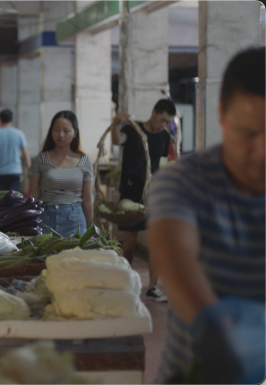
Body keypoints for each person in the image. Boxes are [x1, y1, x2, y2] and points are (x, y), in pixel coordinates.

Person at [147, 47, 264, 384]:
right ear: (223, 116)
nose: (262, 152)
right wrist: (211, 324)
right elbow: (175, 255)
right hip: (194, 370)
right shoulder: (184, 180)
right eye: (249, 134)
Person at [111, 99, 176, 301]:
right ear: (154, 112)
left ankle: (153, 287)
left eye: (167, 122)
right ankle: (126, 281)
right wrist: (115, 123)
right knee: (129, 241)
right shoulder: (134, 130)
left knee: (157, 243)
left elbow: (165, 163)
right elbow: (116, 141)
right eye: (162, 120)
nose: (163, 125)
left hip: (153, 194)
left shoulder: (165, 137)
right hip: (131, 192)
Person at [28, 111, 93, 238]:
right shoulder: (40, 160)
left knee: (75, 257)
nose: (61, 135)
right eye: (57, 130)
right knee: (46, 257)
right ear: (51, 131)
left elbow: (88, 199)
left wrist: (91, 229)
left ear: (75, 133)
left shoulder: (85, 161)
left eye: (66, 130)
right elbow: (33, 196)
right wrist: (29, 224)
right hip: (46, 220)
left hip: (76, 222)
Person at [0, 109, 31, 192]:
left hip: (0, 173)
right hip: (15, 172)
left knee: (2, 199)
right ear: (12, 120)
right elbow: (25, 155)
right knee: (14, 198)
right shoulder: (19, 134)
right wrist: (30, 170)